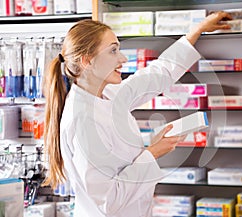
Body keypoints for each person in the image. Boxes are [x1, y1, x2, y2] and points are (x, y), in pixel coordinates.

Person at [43, 11, 232, 217]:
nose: (122, 59)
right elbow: (109, 201)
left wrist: (197, 30)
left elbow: (157, 75)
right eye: (113, 51)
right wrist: (152, 152)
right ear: (87, 61)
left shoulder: (107, 95)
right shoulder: (83, 120)